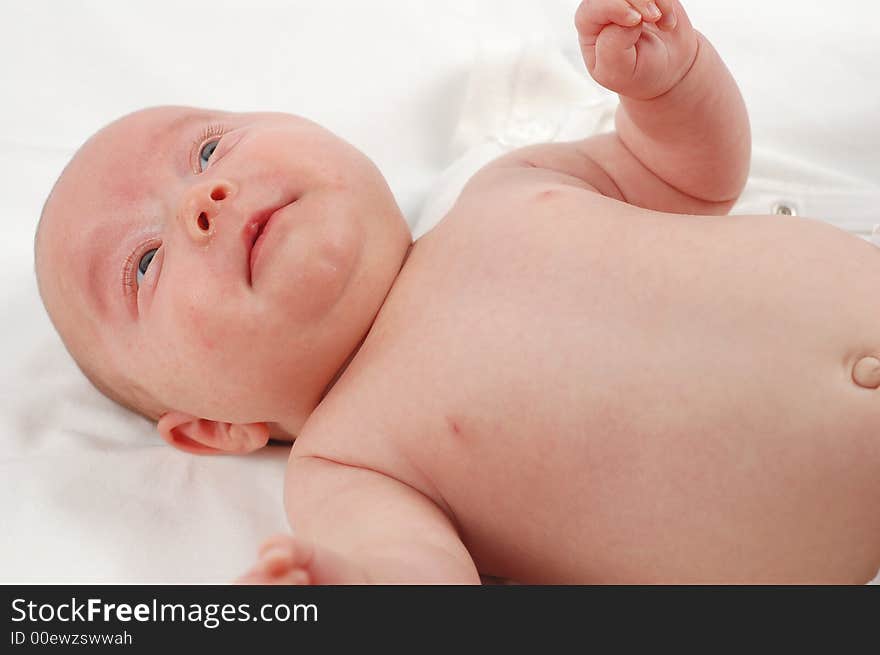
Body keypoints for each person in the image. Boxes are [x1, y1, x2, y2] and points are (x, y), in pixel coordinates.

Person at [34, 0, 880, 583]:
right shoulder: (345, 460)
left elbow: (690, 177)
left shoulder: (505, 187)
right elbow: (424, 577)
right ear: (217, 429)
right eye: (143, 262)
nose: (199, 201)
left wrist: (670, 84)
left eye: (210, 150)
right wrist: (346, 582)